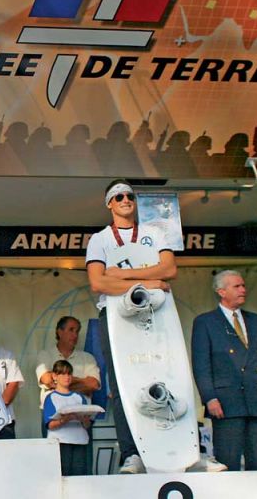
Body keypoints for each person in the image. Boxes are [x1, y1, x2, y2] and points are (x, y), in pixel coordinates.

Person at [85, 179, 176, 474]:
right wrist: (151, 280)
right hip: (116, 315)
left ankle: (172, 445)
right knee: (124, 382)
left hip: (155, 312)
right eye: (119, 196)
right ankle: (131, 452)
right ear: (109, 204)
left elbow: (169, 269)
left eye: (130, 196)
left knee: (165, 373)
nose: (125, 200)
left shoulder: (154, 233)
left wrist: (123, 276)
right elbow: (98, 283)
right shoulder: (100, 239)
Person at [191, 270, 257, 471]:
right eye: (237, 286)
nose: (243, 290)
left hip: (256, 399)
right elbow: (201, 364)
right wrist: (209, 397)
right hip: (226, 402)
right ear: (221, 292)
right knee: (228, 461)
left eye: (243, 285)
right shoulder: (205, 322)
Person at [35, 316, 100, 438]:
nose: (75, 335)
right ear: (59, 332)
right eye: (71, 330)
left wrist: (60, 383)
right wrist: (82, 383)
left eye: (77, 331)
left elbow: (94, 385)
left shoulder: (87, 357)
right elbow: (47, 380)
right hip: (53, 417)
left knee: (82, 450)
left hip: (82, 417)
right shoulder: (45, 355)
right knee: (53, 450)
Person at [43, 360, 92, 476]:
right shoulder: (51, 397)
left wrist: (84, 419)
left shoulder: (79, 397)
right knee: (63, 476)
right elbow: (50, 425)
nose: (67, 377)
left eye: (69, 374)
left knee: (80, 477)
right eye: (63, 374)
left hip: (80, 441)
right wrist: (65, 419)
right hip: (61, 442)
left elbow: (87, 424)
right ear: (55, 376)